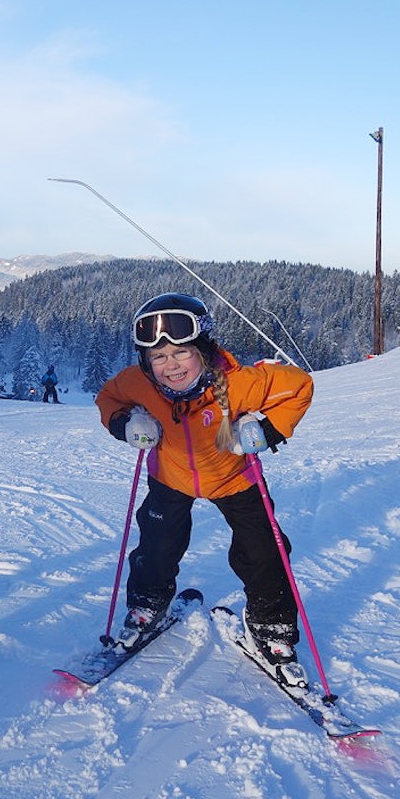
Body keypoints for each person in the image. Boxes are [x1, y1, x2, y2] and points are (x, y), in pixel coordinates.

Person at [95, 293, 314, 684]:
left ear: (204, 348)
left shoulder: (240, 383)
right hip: (171, 477)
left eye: (180, 353)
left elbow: (299, 386)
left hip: (235, 478)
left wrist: (265, 431)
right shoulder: (138, 383)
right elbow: (108, 398)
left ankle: (272, 629)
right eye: (158, 357)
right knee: (157, 545)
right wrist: (126, 422)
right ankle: (147, 604)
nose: (170, 365)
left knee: (264, 549)